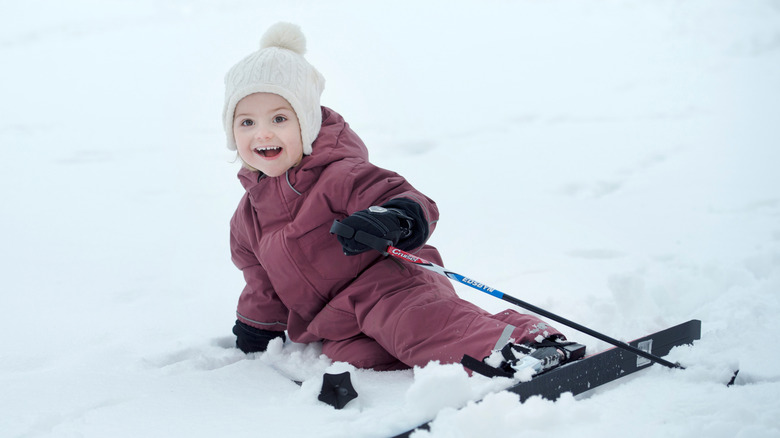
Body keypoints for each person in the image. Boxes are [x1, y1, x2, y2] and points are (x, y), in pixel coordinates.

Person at [223, 22, 583, 376]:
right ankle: (479, 341)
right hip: (339, 320)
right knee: (356, 355)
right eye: (246, 122)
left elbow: (403, 197)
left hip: (393, 284)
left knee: (413, 326)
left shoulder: (339, 174)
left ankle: (522, 347)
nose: (263, 132)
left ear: (307, 124)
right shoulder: (247, 221)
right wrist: (256, 326)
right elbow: (262, 282)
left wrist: (392, 217)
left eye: (280, 117)